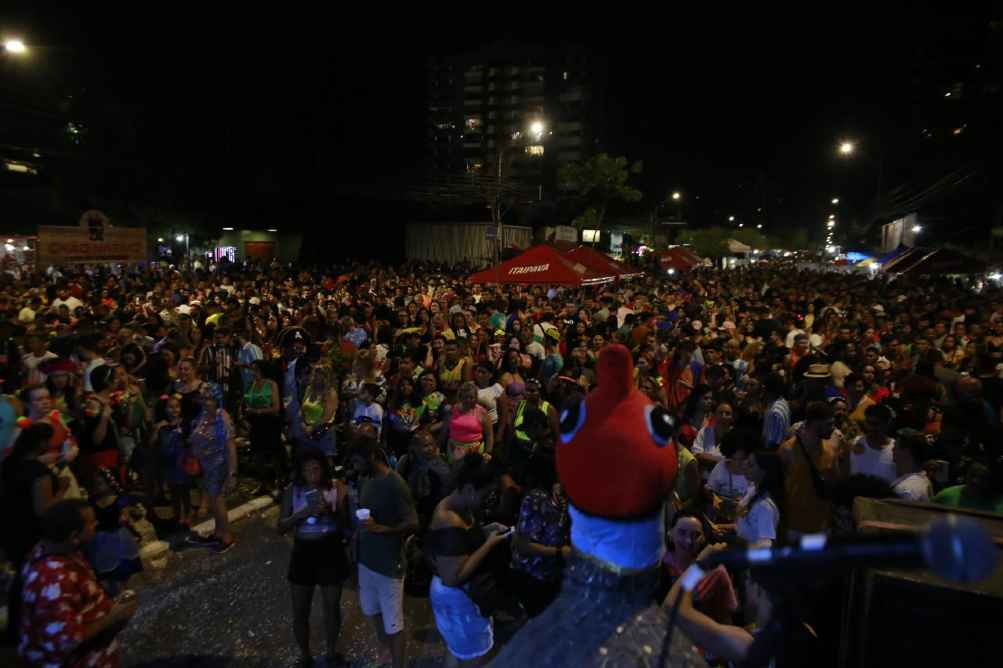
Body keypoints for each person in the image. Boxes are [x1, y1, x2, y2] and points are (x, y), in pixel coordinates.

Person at [18, 499, 137, 667]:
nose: (96, 524)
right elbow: (66, 641)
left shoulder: (60, 549)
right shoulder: (53, 580)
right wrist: (113, 617)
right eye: (91, 523)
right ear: (74, 536)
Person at [425, 453, 510, 665]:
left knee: (458, 653)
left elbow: (465, 542)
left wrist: (486, 531)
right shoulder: (447, 519)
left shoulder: (460, 505)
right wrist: (489, 543)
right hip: (456, 599)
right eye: (486, 495)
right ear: (470, 489)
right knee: (476, 657)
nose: (487, 501)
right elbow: (453, 577)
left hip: (461, 599)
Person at [348, 437, 419, 668]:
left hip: (389, 565)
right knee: (372, 611)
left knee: (394, 623)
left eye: (358, 462)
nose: (355, 468)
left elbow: (412, 522)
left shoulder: (395, 484)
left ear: (371, 457)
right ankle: (385, 652)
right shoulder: (366, 479)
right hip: (366, 561)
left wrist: (384, 529)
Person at [277, 449, 351, 667]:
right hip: (303, 552)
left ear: (324, 469)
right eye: (307, 469)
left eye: (316, 469)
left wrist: (330, 512)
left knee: (332, 607)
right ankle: (305, 656)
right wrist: (302, 514)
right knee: (300, 609)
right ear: (300, 471)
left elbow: (346, 526)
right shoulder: (293, 491)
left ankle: (330, 652)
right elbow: (280, 527)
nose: (312, 474)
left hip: (330, 550)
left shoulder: (336, 488)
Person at [2, 423, 68, 643]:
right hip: (32, 534)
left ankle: (17, 628)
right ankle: (34, 628)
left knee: (21, 580)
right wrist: (61, 490)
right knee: (33, 581)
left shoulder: (10, 464)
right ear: (41, 443)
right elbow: (44, 509)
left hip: (11, 529)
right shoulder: (38, 473)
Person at [509, 454, 571, 618]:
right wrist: (558, 552)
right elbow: (523, 544)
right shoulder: (535, 500)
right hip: (533, 575)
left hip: (549, 573)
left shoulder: (559, 495)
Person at [656, 511, 738, 625]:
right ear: (670, 533)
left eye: (696, 535)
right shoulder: (659, 569)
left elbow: (725, 619)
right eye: (682, 532)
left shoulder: (716, 572)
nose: (688, 541)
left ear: (704, 538)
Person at [185, 387, 238, 553]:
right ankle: (218, 533)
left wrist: (232, 473)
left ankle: (227, 537)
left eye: (210, 399)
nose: (206, 402)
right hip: (206, 467)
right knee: (214, 502)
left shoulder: (222, 417)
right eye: (204, 398)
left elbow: (231, 447)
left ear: (217, 400)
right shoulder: (203, 415)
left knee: (218, 500)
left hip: (218, 466)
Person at [779, 401, 839, 538]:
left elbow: (837, 483)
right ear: (816, 424)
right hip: (794, 526)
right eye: (829, 424)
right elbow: (778, 486)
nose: (833, 428)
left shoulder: (832, 449)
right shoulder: (787, 450)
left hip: (823, 525)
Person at [244, 359, 287, 495]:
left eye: (255, 369)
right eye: (252, 369)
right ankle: (263, 483)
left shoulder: (271, 384)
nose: (253, 372)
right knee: (257, 456)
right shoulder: (251, 384)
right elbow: (246, 403)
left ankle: (280, 482)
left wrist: (258, 411)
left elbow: (276, 407)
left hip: (270, 423)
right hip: (255, 424)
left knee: (275, 453)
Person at [150, 394, 193, 527]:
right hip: (169, 463)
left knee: (184, 489)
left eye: (177, 407)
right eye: (170, 407)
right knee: (173, 490)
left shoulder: (185, 423)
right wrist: (157, 430)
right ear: (165, 409)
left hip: (182, 460)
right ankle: (177, 514)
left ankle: (188, 513)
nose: (174, 410)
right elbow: (152, 443)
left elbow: (190, 440)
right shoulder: (162, 426)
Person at [396, 430, 451, 526]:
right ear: (415, 448)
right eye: (425, 446)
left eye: (432, 445)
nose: (430, 449)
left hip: (432, 510)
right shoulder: (406, 461)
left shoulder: (441, 466)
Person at [847, 403, 897, 484]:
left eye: (875, 424)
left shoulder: (896, 449)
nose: (871, 428)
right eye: (868, 423)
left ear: (887, 423)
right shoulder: (854, 443)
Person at [447, 381, 493, 464]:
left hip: (474, 450)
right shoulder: (454, 409)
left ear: (476, 398)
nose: (468, 400)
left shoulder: (482, 412)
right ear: (460, 397)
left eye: (471, 397)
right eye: (465, 397)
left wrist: (488, 452)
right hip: (453, 447)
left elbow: (489, 435)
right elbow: (446, 426)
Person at [932, 460, 1003, 513]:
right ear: (966, 474)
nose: (975, 481)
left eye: (982, 477)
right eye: (973, 475)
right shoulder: (946, 495)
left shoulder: (998, 503)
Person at [300, 364, 340, 458]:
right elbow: (302, 409)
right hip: (307, 430)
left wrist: (312, 427)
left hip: (323, 432)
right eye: (315, 374)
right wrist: (303, 423)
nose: (316, 377)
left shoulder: (331, 393)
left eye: (320, 375)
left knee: (325, 460)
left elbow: (327, 417)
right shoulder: (309, 389)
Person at [891, 429, 933, 501]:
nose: (892, 449)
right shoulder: (921, 480)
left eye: (896, 446)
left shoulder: (905, 490)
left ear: (906, 452)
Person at [762, 373, 791, 450]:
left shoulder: (775, 412)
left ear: (765, 389)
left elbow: (774, 443)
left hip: (773, 455)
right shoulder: (783, 401)